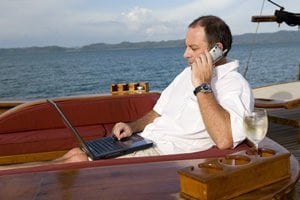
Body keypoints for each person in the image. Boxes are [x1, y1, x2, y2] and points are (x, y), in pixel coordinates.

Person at [1, 15, 254, 169]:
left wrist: (203, 85)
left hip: (165, 156)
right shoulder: (185, 75)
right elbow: (157, 111)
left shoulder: (234, 85)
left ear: (217, 49)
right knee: (75, 153)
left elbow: (223, 140)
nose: (185, 54)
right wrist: (133, 127)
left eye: (193, 48)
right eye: (186, 46)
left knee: (78, 163)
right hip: (144, 141)